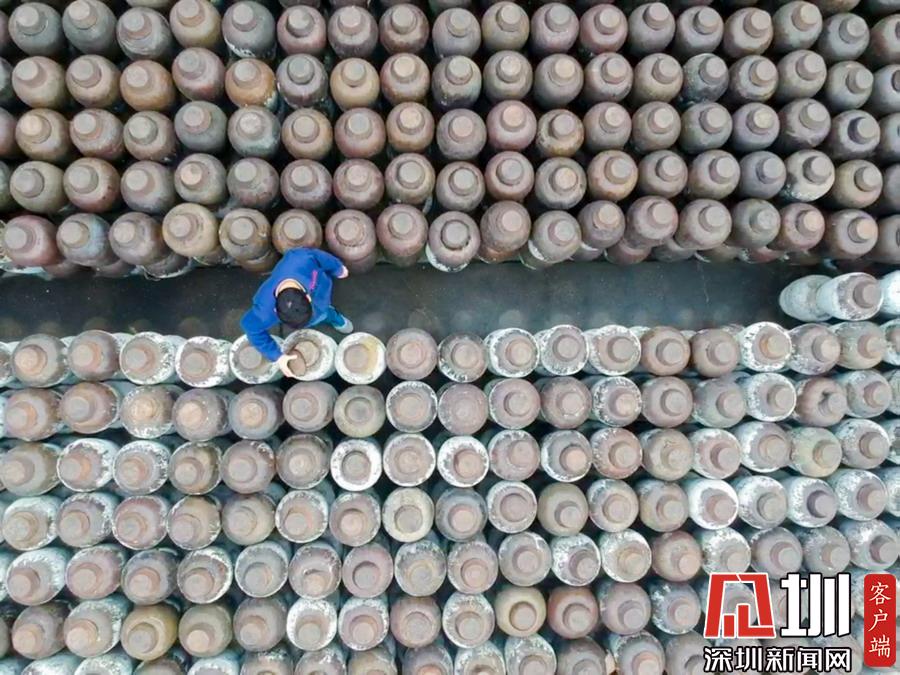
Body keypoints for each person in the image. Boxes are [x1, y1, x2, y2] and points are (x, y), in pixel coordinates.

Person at [241, 247, 353, 377]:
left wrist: (337, 268)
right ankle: (329, 316)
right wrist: (277, 356)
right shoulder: (264, 311)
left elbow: (318, 256)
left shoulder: (299, 259)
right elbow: (250, 327)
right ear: (276, 310)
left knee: (324, 313)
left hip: (322, 292)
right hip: (315, 304)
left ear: (308, 298)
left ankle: (334, 317)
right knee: (321, 315)